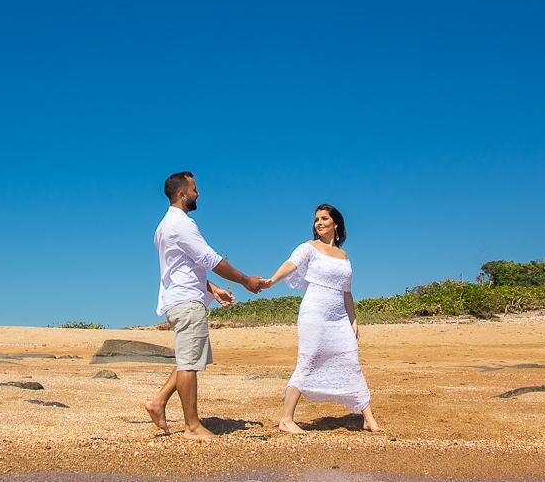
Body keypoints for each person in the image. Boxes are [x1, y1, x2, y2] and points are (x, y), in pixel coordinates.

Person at [146, 171, 266, 442]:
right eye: (194, 189)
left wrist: (211, 289)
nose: (198, 194)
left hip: (179, 298)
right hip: (186, 302)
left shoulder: (162, 228)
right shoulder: (182, 224)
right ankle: (192, 427)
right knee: (189, 363)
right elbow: (209, 258)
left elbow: (184, 267)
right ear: (181, 194)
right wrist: (246, 280)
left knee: (188, 358)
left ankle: (158, 402)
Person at [264, 204, 383, 434]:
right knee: (307, 362)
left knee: (351, 361)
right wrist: (271, 281)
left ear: (336, 224)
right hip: (314, 314)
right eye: (316, 219)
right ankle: (286, 420)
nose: (319, 222)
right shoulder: (310, 247)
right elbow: (291, 264)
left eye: (324, 218)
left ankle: (368, 418)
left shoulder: (343, 255)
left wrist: (353, 320)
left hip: (339, 318)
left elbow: (347, 291)